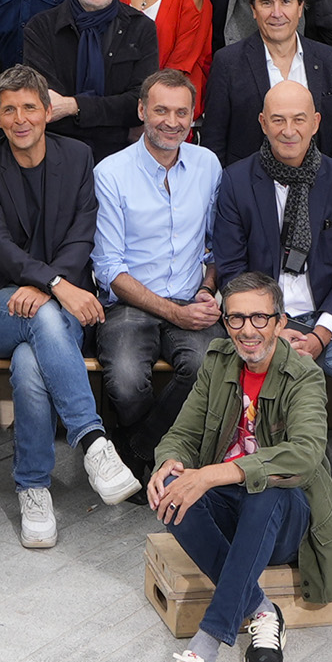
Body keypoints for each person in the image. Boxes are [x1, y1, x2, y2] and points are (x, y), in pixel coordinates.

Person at [141, 271, 332, 662]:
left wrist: (210, 475)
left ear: (280, 322)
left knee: (265, 493)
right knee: (174, 496)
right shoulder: (219, 361)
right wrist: (170, 465)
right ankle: (260, 608)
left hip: (283, 520)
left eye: (259, 317)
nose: (247, 329)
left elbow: (304, 454)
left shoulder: (304, 376)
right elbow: (182, 433)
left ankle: (204, 653)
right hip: (231, 511)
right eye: (236, 318)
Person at [0, 69, 141, 544]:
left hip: (57, 308)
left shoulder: (78, 156)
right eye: (9, 110)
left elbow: (83, 234)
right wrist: (56, 285)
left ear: (47, 110)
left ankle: (33, 488)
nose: (20, 119)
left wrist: (50, 288)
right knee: (41, 318)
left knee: (29, 362)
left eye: (29, 107)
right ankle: (93, 441)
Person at [209, 79, 332, 536]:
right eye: (278, 120)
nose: (288, 130)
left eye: (298, 119)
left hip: (330, 320)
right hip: (261, 322)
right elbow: (231, 270)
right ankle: (275, 481)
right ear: (262, 123)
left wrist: (321, 333)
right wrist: (273, 325)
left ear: (316, 123)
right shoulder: (236, 180)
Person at [92, 69, 220, 470]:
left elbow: (216, 245)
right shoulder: (110, 172)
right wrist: (173, 313)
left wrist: (208, 288)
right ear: (141, 110)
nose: (172, 121)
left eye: (182, 112)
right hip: (129, 303)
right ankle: (162, 453)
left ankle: (137, 451)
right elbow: (109, 267)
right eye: (161, 110)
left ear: (193, 115)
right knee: (126, 382)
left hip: (190, 297)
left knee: (208, 369)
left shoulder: (208, 165)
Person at [198, 0, 332, 168]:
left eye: (286, 2)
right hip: (249, 185)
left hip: (319, 183)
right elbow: (214, 141)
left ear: (300, 7)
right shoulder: (227, 63)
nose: (277, 13)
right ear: (253, 9)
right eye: (266, 3)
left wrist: (330, 182)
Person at [22, 0, 162, 155]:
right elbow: (46, 108)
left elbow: (140, 104)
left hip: (122, 157)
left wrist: (73, 106)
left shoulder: (141, 29)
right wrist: (119, 128)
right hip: (55, 156)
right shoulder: (40, 29)